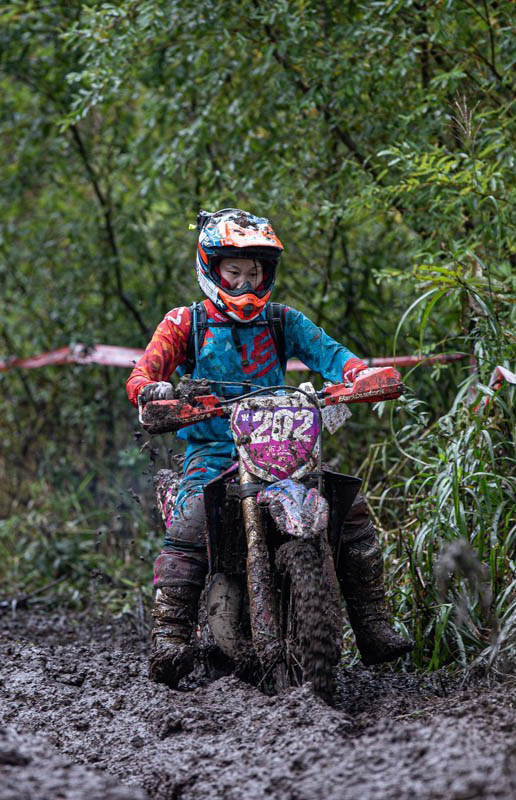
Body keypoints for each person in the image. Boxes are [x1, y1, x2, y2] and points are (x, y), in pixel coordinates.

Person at [126, 207, 413, 687]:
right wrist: (154, 390)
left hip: (282, 447)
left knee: (351, 507)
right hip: (215, 451)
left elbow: (332, 354)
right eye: (233, 272)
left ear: (267, 273)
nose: (244, 283)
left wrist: (359, 376)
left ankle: (374, 624)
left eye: (253, 273)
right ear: (211, 269)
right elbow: (143, 373)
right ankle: (170, 634)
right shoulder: (185, 323)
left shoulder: (283, 321)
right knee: (192, 518)